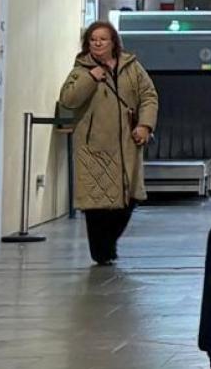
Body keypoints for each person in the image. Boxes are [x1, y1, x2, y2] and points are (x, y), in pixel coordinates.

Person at [58, 21, 159, 266]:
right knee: (96, 203)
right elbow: (68, 100)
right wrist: (90, 78)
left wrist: (145, 125)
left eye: (103, 39)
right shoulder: (81, 69)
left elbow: (148, 96)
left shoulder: (131, 67)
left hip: (127, 145)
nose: (98, 43)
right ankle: (101, 251)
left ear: (113, 42)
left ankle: (107, 244)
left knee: (129, 198)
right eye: (93, 40)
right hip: (94, 147)